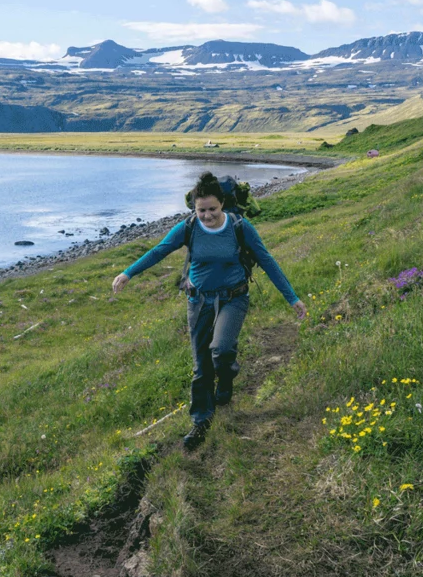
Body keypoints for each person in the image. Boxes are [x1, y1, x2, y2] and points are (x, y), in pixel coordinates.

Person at [112, 172, 307, 451]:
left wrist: (292, 298)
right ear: (194, 208)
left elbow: (267, 260)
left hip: (234, 298)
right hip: (198, 301)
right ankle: (200, 421)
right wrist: (128, 273)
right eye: (201, 210)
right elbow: (159, 251)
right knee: (201, 366)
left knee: (222, 349)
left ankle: (226, 376)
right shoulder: (189, 227)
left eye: (212, 209)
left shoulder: (240, 226)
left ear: (223, 204)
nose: (207, 216)